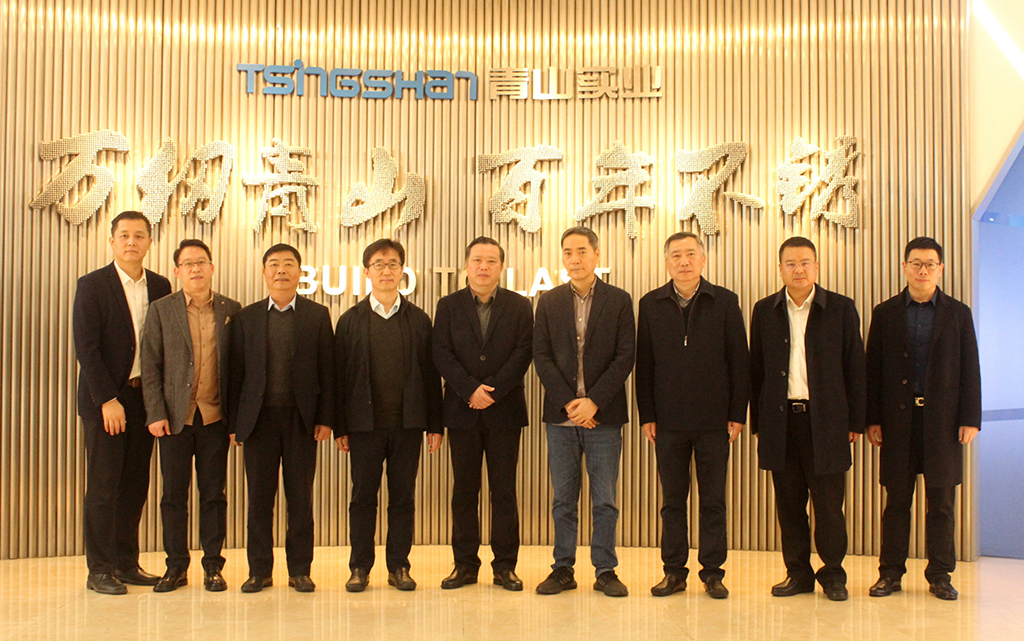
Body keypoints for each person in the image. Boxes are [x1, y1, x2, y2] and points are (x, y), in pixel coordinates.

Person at [749, 236, 865, 602]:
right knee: (789, 504)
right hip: (781, 422)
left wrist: (855, 422)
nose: (798, 269)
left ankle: (833, 575)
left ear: (816, 266)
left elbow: (855, 368)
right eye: (791, 263)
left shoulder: (841, 308)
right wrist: (758, 425)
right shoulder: (764, 310)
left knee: (829, 506)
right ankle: (798, 573)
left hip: (827, 422)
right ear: (780, 268)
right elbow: (756, 371)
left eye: (805, 262)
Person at [865, 237, 981, 601]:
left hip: (943, 423)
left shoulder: (957, 313)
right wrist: (872, 418)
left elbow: (970, 368)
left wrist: (970, 418)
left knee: (941, 503)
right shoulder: (885, 312)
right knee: (896, 502)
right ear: (904, 267)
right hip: (897, 423)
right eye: (916, 263)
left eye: (930, 264)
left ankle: (940, 575)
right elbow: (872, 370)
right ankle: (890, 574)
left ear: (941, 269)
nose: (923, 270)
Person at [635, 232, 750, 599]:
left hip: (714, 421)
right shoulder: (650, 304)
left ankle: (713, 572)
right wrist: (647, 414)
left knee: (713, 501)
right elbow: (644, 364)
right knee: (672, 501)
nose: (683, 261)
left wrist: (737, 413)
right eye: (676, 255)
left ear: (703, 259)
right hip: (667, 422)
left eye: (690, 254)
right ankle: (674, 571)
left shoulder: (725, 301)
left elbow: (739, 360)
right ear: (666, 262)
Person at [334, 238, 443, 592]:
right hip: (363, 427)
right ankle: (359, 567)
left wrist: (435, 425)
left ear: (402, 271)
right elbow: (339, 378)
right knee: (362, 498)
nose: (386, 270)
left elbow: (432, 377)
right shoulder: (350, 321)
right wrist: (340, 427)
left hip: (407, 425)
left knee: (403, 499)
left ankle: (399, 566)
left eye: (393, 264)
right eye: (378, 264)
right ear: (367, 272)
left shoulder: (419, 320)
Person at [533, 226, 635, 597]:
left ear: (596, 255)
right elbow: (541, 356)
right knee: (563, 499)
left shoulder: (618, 300)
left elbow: (625, 356)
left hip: (603, 417)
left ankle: (605, 570)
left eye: (581, 251)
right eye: (567, 252)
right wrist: (569, 403)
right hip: (561, 419)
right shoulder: (549, 301)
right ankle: (562, 569)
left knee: (604, 499)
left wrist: (594, 401)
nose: (574, 259)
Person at [73, 210, 171, 594]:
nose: (132, 241)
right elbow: (87, 347)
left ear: (150, 242)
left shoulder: (161, 286)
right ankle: (99, 569)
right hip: (107, 401)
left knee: (134, 485)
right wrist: (107, 399)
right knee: (103, 486)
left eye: (139, 235)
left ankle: (126, 563)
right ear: (112, 241)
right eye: (124, 235)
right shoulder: (92, 285)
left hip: (144, 399)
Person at [228, 244, 335, 593]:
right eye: (273, 264)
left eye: (289, 264)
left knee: (300, 499)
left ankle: (299, 570)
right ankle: (259, 571)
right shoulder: (246, 317)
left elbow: (328, 371)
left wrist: (325, 418)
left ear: (299, 272)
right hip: (258, 422)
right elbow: (235, 374)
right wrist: (235, 424)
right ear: (264, 272)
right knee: (259, 500)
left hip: (301, 422)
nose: (281, 270)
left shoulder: (317, 315)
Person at [432, 237, 534, 591]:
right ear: (466, 265)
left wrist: (491, 391)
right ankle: (464, 565)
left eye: (491, 260)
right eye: (477, 260)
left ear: (501, 267)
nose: (483, 266)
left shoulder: (520, 306)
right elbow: (441, 352)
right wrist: (469, 389)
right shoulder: (448, 305)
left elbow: (523, 352)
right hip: (462, 411)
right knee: (464, 491)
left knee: (504, 491)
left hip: (504, 411)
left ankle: (505, 566)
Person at [141, 239, 241, 592]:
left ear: (212, 267)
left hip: (215, 418)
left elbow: (238, 369)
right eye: (188, 263)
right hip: (174, 419)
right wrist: (155, 412)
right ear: (177, 271)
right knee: (173, 496)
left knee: (214, 494)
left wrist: (237, 421)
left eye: (201, 262)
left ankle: (213, 565)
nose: (195, 268)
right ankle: (176, 567)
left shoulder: (231, 310)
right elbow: (150, 365)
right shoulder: (161, 309)